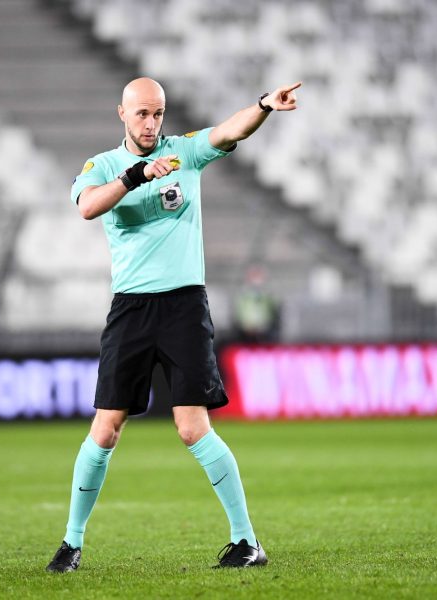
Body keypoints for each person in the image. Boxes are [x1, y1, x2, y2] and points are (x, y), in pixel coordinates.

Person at [45, 77, 301, 572]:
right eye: (141, 113)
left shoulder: (184, 153)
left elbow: (228, 133)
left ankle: (247, 541)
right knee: (106, 429)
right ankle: (71, 543)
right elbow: (87, 206)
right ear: (121, 113)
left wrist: (264, 106)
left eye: (158, 113)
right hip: (132, 310)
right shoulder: (104, 166)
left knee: (191, 427)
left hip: (184, 306)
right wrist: (137, 177)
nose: (151, 123)